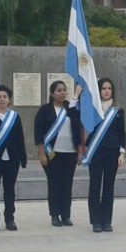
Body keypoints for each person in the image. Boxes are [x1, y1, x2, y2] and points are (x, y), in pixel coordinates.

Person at [34, 81, 84, 228]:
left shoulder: (71, 108)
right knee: (54, 183)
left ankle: (66, 215)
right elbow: (38, 133)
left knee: (67, 184)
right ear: (52, 93)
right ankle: (55, 215)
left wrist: (80, 150)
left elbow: (78, 128)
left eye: (64, 90)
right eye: (58, 90)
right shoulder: (45, 110)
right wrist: (41, 153)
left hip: (70, 152)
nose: (62, 93)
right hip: (52, 153)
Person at [84, 78, 126, 233]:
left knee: (109, 186)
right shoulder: (93, 108)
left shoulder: (118, 110)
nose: (106, 91)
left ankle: (106, 220)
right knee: (95, 185)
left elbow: (122, 133)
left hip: (112, 151)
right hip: (95, 151)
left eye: (109, 88)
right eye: (103, 88)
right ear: (98, 90)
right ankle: (95, 220)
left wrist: (122, 152)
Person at [0, 85, 26, 233]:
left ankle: (10, 218)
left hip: (12, 158)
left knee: (9, 190)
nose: (2, 100)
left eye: (5, 97)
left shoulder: (15, 117)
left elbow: (20, 138)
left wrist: (23, 157)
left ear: (9, 100)